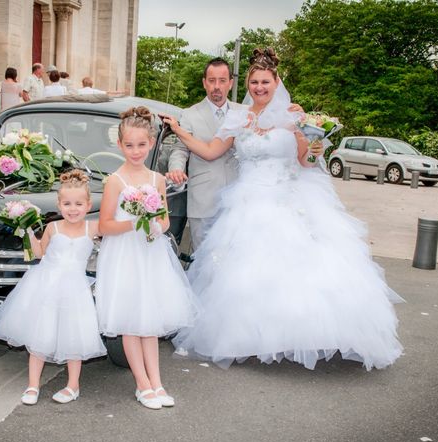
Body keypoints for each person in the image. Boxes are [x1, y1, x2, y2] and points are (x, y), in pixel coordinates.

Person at [162, 48, 403, 371]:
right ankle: (249, 336)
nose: (259, 88)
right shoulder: (240, 118)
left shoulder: (294, 116)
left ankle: (299, 334)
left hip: (285, 198)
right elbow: (209, 150)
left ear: (276, 82)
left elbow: (307, 161)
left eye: (265, 82)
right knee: (243, 273)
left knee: (295, 267)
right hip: (246, 201)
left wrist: (316, 147)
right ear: (246, 85)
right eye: (254, 83)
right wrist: (179, 130)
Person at [95, 106, 197, 410]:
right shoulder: (115, 181)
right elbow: (104, 226)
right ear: (120, 145)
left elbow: (164, 221)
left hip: (151, 255)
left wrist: (154, 222)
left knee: (149, 325)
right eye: (129, 145)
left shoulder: (157, 180)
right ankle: (142, 385)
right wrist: (135, 221)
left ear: (151, 143)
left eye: (141, 145)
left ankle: (158, 382)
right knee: (130, 321)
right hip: (124, 256)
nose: (135, 151)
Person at [0, 170, 107, 405]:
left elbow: (115, 231)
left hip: (75, 289)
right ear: (59, 204)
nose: (73, 209)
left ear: (88, 205)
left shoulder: (92, 228)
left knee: (75, 336)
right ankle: (32, 385)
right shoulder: (53, 227)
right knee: (39, 334)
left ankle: (73, 385)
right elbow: (39, 253)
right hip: (47, 284)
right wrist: (27, 229)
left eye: (79, 204)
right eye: (67, 204)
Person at [165, 58, 241, 249]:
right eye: (212, 80)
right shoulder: (189, 114)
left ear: (230, 83)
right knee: (203, 260)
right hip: (203, 200)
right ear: (204, 82)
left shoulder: (244, 112)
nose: (217, 86)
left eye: (222, 80)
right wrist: (176, 170)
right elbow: (180, 149)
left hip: (239, 200)